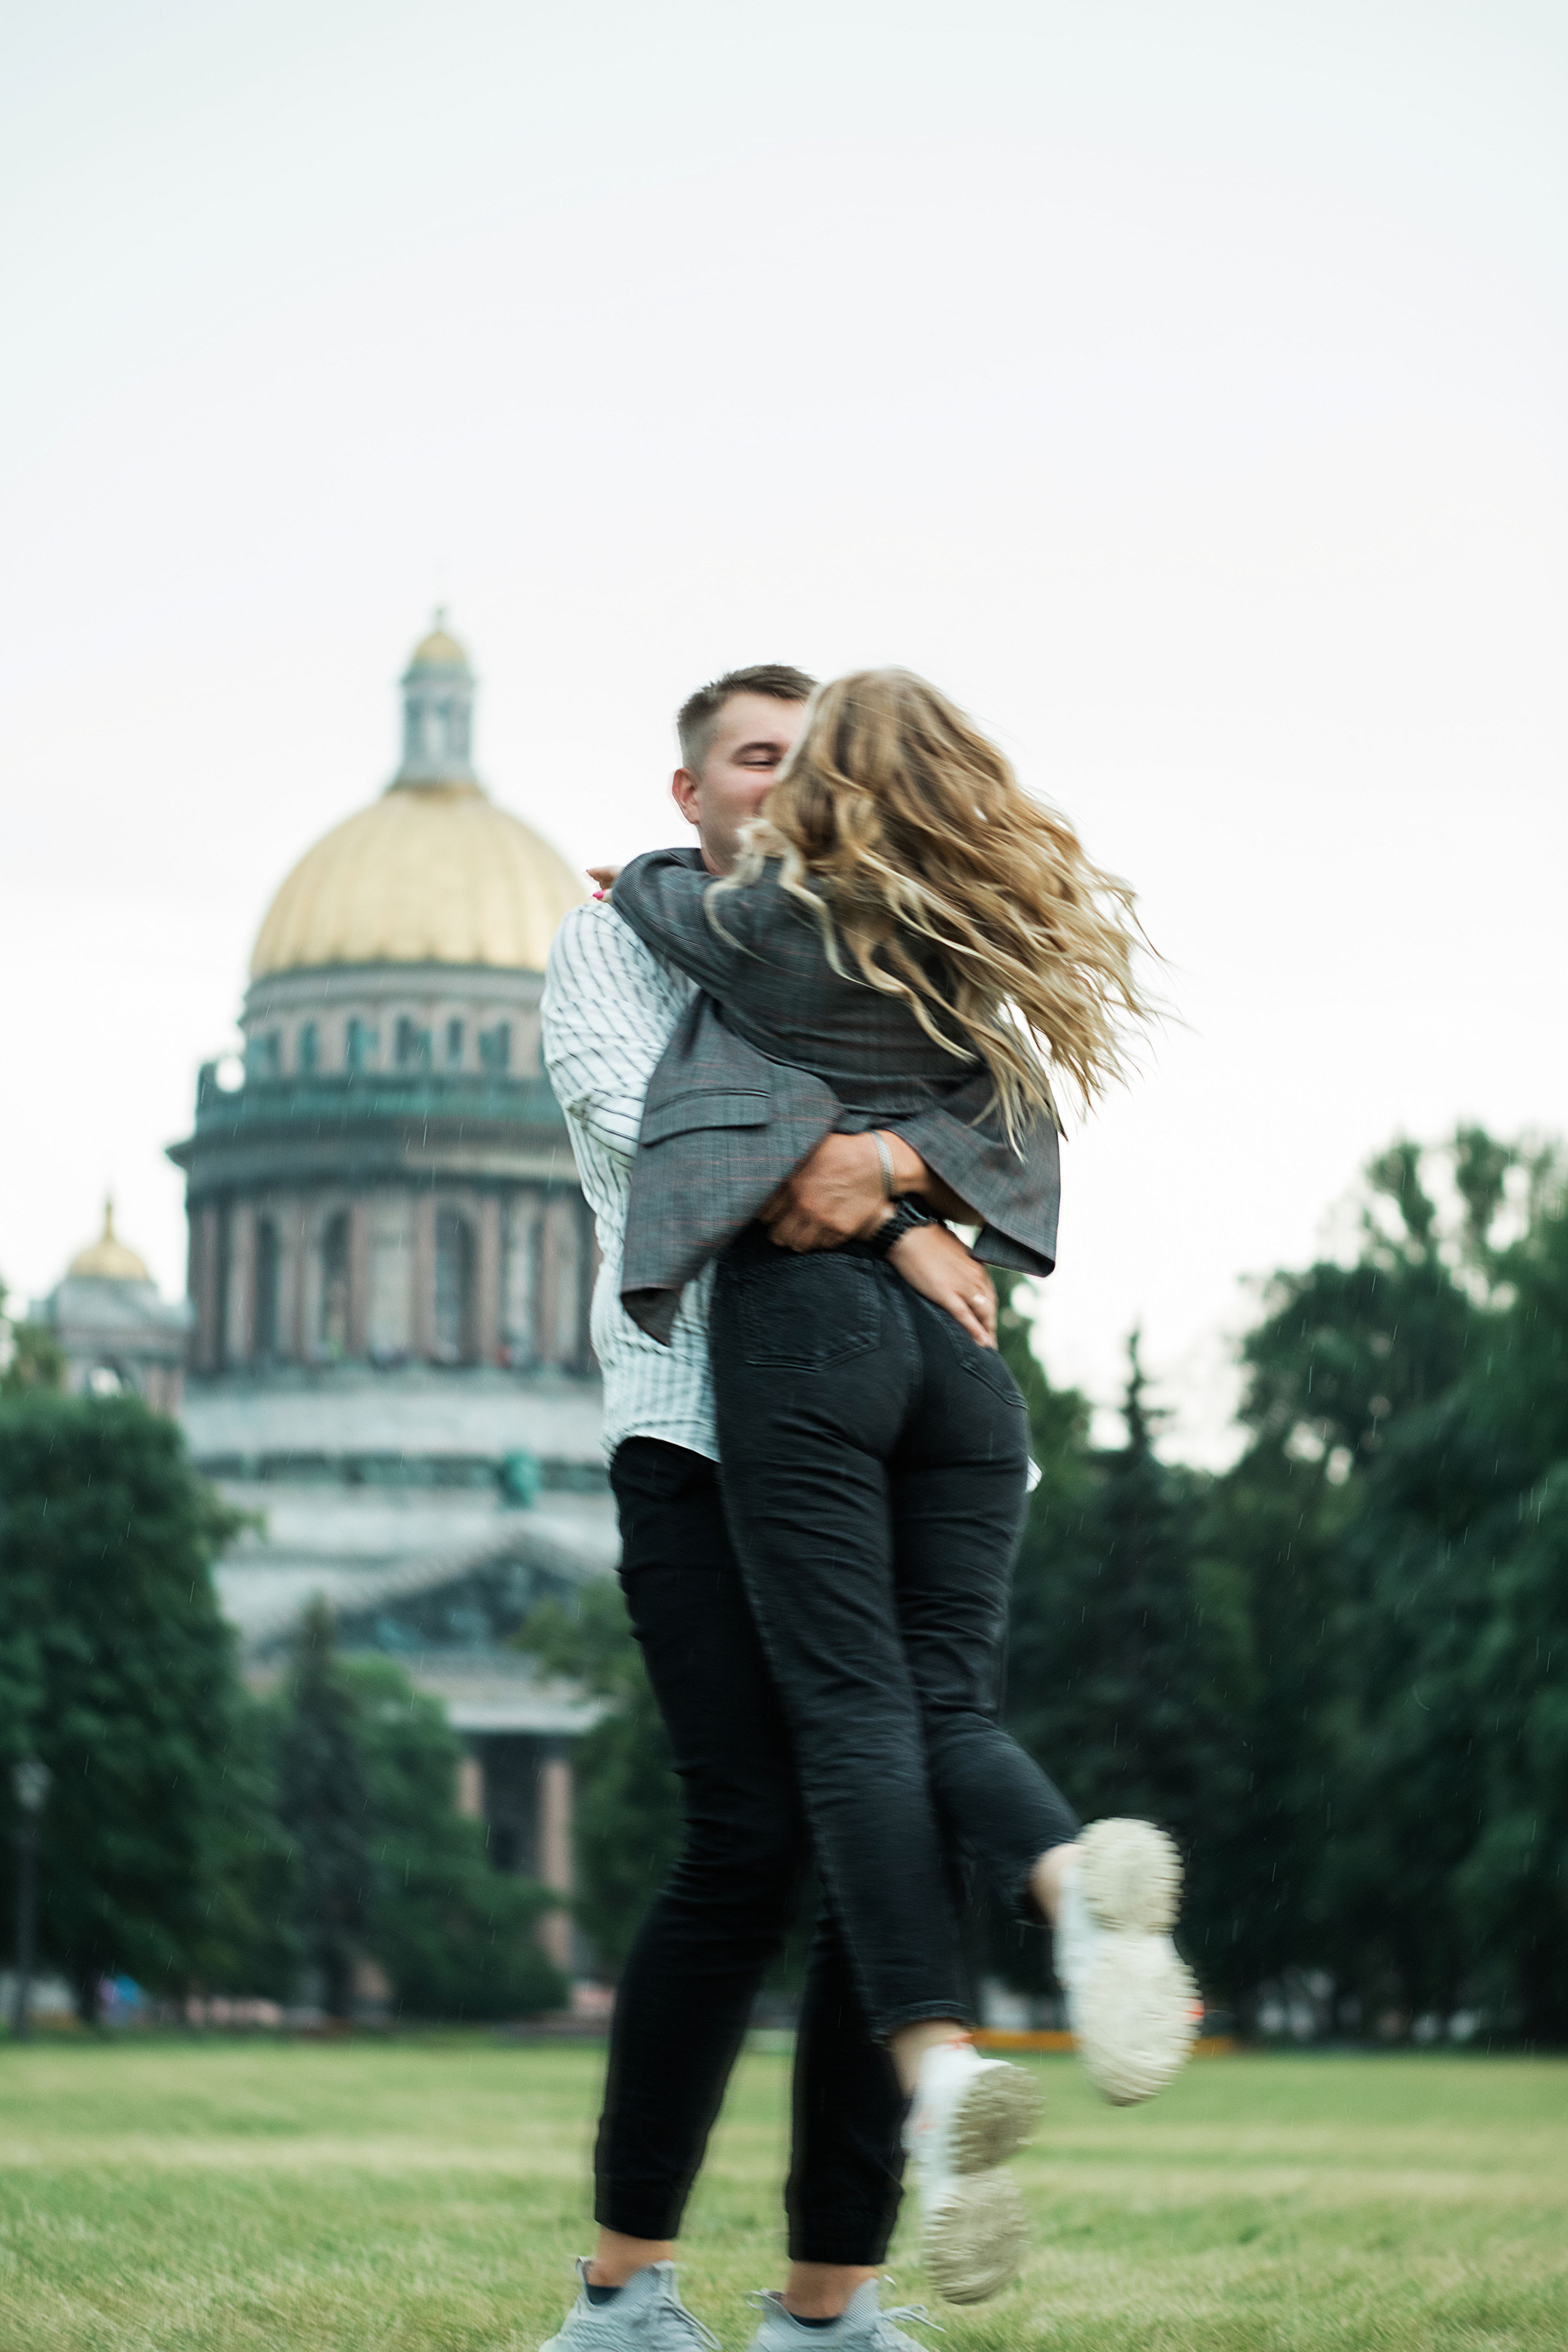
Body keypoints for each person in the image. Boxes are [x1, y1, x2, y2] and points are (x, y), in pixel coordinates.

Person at [598, 669, 1197, 2320]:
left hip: (808, 1344)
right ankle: (1073, 1891)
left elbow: (668, 908)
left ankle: (937, 2072)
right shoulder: (959, 950)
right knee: (947, 1708)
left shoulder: (759, 918)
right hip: (966, 1365)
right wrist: (917, 1202)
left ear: (827, 788)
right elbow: (1017, 1138)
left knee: (857, 1713)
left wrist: (640, 874)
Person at [540, 668, 1025, 2352]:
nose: (786, 781)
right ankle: (624, 2296)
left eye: (809, 757)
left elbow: (1019, 1139)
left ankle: (831, 2309)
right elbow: (650, 1138)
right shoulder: (612, 940)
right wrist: (902, 1194)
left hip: (887, 1425)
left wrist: (887, 1174)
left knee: (901, 1832)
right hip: (693, 1430)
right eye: (754, 756)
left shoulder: (901, 941)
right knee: (749, 1838)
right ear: (690, 793)